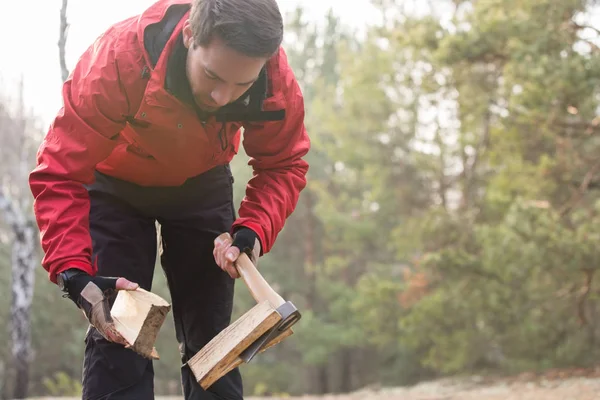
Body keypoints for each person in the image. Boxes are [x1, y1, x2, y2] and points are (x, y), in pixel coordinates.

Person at [28, 0, 310, 398]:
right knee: (121, 333)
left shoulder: (273, 76)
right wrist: (73, 272)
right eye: (212, 75)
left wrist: (252, 231)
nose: (222, 96)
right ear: (190, 35)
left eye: (241, 85)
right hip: (114, 186)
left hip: (202, 181)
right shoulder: (118, 59)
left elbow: (284, 163)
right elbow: (59, 172)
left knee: (213, 340)